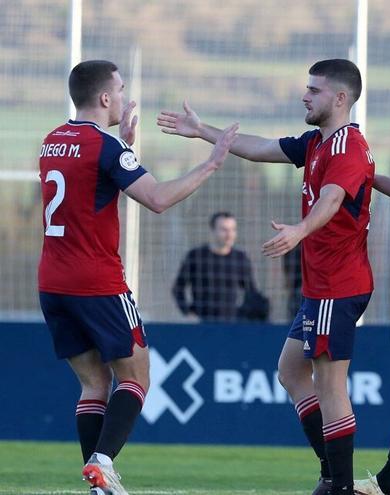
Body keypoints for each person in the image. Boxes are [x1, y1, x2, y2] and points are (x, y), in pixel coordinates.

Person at [158, 59, 373, 495]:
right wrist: (204, 131)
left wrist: (300, 230)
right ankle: (332, 473)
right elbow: (258, 148)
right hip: (321, 288)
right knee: (291, 372)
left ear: (340, 98)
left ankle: (342, 486)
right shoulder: (317, 142)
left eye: (314, 90)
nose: (305, 96)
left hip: (339, 285)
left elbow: (332, 200)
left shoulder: (348, 146)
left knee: (331, 385)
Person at [38, 59, 237, 494]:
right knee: (136, 377)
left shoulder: (52, 141)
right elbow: (158, 198)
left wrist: (123, 147)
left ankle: (97, 484)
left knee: (94, 383)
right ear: (105, 97)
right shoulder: (106, 148)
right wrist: (212, 163)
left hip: (53, 282)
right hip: (98, 282)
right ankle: (104, 463)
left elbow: (90, 190)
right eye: (121, 89)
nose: (126, 97)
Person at [171, 211, 259, 322]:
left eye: (233, 230)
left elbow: (251, 292)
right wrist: (188, 312)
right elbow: (178, 288)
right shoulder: (196, 256)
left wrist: (242, 316)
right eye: (224, 230)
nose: (229, 235)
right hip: (201, 323)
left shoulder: (240, 258)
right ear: (212, 230)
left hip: (231, 324)